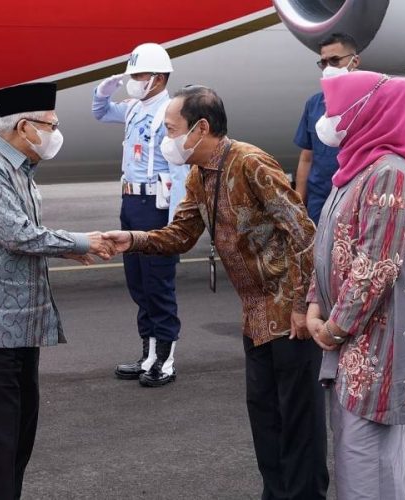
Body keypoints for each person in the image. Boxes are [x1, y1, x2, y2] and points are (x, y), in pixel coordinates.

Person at [104, 86, 328, 499]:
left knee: (299, 426)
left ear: (200, 127)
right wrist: (132, 239)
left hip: (288, 316)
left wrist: (302, 306)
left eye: (171, 129)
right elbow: (181, 234)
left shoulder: (250, 162)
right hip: (254, 316)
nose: (165, 140)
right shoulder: (200, 174)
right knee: (266, 420)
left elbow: (303, 235)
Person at [0, 82, 114, 500]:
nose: (55, 134)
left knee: (20, 436)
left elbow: (27, 238)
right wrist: (79, 243)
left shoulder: (20, 170)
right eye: (51, 125)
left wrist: (71, 251)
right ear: (24, 127)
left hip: (20, 324)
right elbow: (17, 235)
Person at [307, 70, 405, 499]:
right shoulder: (356, 168)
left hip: (376, 346)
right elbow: (328, 241)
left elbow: (374, 267)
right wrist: (314, 302)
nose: (328, 119)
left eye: (336, 109)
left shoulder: (391, 174)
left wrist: (333, 328)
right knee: (364, 458)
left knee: (367, 462)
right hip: (354, 344)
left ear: (367, 112)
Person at [92, 43, 190, 387]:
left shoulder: (172, 112)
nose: (134, 81)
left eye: (140, 75)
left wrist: (177, 218)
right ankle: (147, 353)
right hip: (131, 203)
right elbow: (101, 113)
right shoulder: (134, 107)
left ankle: (165, 360)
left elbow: (180, 169)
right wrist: (104, 89)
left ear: (159, 78)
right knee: (138, 282)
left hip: (157, 205)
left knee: (158, 283)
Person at [294, 33, 360, 225]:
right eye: (324, 62)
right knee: (319, 252)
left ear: (354, 61)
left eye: (335, 60)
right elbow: (306, 157)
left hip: (356, 196)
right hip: (320, 198)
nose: (329, 67)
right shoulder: (314, 104)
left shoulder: (369, 101)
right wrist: (299, 199)